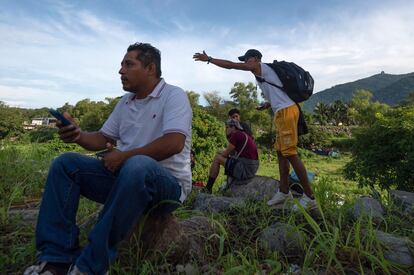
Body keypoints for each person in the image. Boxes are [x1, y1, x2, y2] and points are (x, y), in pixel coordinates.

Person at [25, 43, 192, 275]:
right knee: (66, 164)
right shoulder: (125, 102)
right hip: (127, 179)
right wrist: (78, 135)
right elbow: (103, 137)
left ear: (150, 68)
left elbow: (174, 142)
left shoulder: (174, 96)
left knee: (138, 165)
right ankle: (56, 260)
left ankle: (90, 267)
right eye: (121, 65)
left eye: (128, 64)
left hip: (167, 187)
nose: (120, 71)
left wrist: (124, 157)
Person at [193, 49, 316, 209]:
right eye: (244, 60)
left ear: (256, 59)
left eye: (247, 59)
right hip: (281, 112)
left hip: (286, 112)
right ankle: (284, 191)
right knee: (281, 153)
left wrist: (209, 59)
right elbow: (279, 92)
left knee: (290, 153)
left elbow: (231, 66)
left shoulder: (260, 68)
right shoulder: (264, 75)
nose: (245, 62)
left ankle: (309, 196)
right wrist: (268, 104)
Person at [205, 119, 259, 193]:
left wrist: (220, 152)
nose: (225, 129)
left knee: (217, 158)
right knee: (222, 157)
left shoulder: (236, 134)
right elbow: (232, 153)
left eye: (227, 127)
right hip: (251, 167)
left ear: (233, 127)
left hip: (246, 168)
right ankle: (214, 187)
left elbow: (225, 154)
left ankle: (208, 188)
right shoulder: (243, 134)